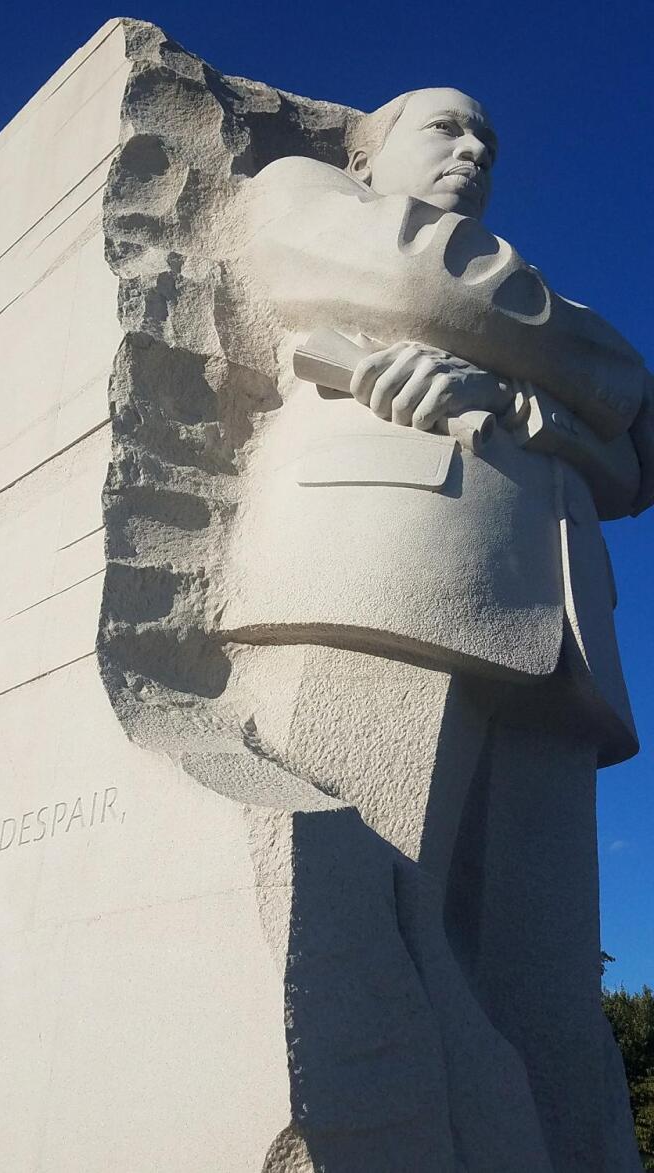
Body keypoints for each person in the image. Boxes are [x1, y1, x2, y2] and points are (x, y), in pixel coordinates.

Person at [224, 88, 652, 1169]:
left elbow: (638, 451)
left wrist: (519, 404)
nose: (473, 152)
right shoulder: (299, 190)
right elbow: (428, 280)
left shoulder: (503, 309)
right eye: (445, 129)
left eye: (489, 143)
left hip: (555, 628)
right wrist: (600, 380)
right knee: (359, 928)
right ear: (368, 158)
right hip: (384, 567)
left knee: (546, 991)